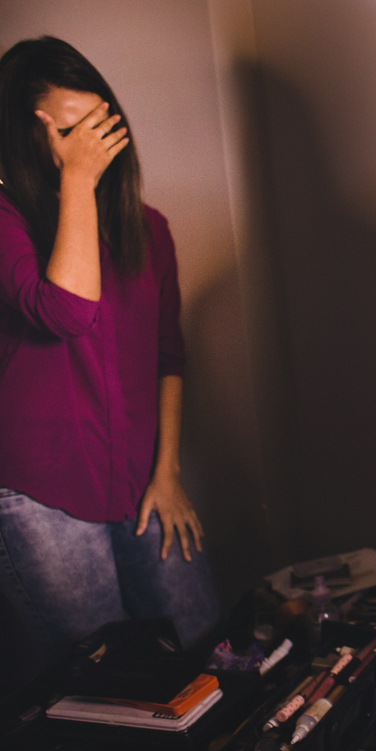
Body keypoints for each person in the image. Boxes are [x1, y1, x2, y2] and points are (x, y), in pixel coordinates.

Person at [0, 37, 220, 654]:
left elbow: (168, 358)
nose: (92, 145)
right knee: (103, 682)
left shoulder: (147, 228)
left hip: (141, 478)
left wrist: (168, 473)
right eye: (71, 132)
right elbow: (65, 311)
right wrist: (76, 180)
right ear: (25, 135)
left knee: (204, 648)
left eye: (100, 126)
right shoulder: (5, 217)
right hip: (40, 495)